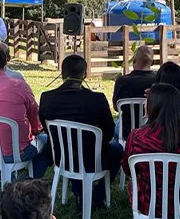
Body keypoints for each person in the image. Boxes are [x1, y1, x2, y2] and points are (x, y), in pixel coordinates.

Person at [39, 55, 123, 206]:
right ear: (84, 74)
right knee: (117, 150)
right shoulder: (97, 99)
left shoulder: (47, 98)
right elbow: (109, 132)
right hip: (93, 158)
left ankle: (79, 191)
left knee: (72, 148)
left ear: (62, 73)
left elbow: (46, 129)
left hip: (61, 156)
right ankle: (99, 194)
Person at [121, 83, 180, 218]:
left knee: (136, 183)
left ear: (153, 106)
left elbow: (128, 169)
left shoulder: (137, 137)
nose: (144, 104)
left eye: (147, 102)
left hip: (148, 202)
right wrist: (167, 96)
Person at [112, 45, 157, 140]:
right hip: (153, 132)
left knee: (116, 127)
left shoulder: (121, 81)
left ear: (134, 61)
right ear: (152, 62)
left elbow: (116, 107)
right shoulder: (159, 81)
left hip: (126, 132)